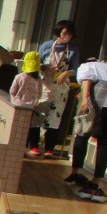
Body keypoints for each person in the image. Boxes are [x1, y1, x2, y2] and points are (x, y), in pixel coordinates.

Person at [65, 60, 107, 203]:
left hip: (103, 99)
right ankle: (95, 181)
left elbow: (86, 81)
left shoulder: (84, 66)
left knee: (82, 133)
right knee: (105, 141)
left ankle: (75, 172)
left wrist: (84, 99)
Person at [38, 20, 81, 158]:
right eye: (65, 33)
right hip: (44, 84)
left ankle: (49, 149)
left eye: (70, 34)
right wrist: (44, 67)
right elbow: (37, 63)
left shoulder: (73, 49)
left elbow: (77, 69)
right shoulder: (46, 46)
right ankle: (34, 145)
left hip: (61, 87)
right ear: (58, 32)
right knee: (39, 113)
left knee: (55, 117)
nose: (67, 36)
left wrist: (68, 72)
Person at [10, 51, 45, 155]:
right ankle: (32, 147)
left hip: (19, 106)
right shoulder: (38, 79)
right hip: (32, 107)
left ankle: (18, 147)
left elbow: (12, 92)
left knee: (18, 127)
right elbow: (40, 93)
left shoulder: (19, 77)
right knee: (31, 127)